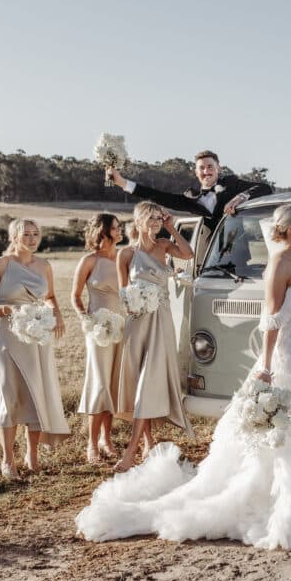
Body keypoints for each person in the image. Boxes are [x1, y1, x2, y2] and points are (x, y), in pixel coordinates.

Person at [75, 204, 291, 550]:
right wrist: (265, 366)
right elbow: (272, 319)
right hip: (290, 355)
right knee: (290, 433)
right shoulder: (279, 263)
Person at [0, 218, 70, 480]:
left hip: (37, 335)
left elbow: (49, 296)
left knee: (35, 392)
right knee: (11, 394)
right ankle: (7, 460)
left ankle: (32, 456)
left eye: (36, 234)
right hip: (7, 335)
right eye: (26, 234)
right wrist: (9, 309)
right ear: (14, 236)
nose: (32, 238)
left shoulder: (44, 266)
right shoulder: (0, 265)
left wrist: (57, 315)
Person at [113, 202, 195, 472]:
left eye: (159, 219)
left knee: (149, 381)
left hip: (161, 322)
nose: (156, 223)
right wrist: (132, 304)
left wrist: (172, 227)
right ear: (138, 222)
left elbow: (189, 253)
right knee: (140, 382)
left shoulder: (164, 245)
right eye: (151, 219)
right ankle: (147, 442)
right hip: (138, 324)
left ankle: (130, 452)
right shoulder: (126, 254)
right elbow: (122, 294)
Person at [106, 150, 273, 231]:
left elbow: (265, 188)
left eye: (210, 167)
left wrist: (239, 198)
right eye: (202, 168)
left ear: (218, 168)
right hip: (210, 254)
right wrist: (123, 183)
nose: (206, 171)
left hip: (238, 253)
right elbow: (158, 196)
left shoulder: (231, 183)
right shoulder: (190, 197)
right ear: (195, 171)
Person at [71, 213, 125, 465]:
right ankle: (91, 444)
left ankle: (107, 438)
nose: (120, 230)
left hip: (121, 327)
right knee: (99, 382)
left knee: (113, 383)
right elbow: (75, 296)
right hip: (97, 329)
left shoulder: (123, 257)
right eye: (115, 228)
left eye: (119, 227)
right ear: (102, 232)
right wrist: (86, 319)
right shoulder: (89, 260)